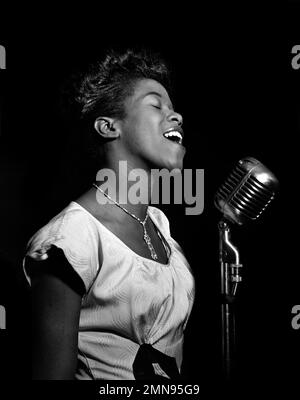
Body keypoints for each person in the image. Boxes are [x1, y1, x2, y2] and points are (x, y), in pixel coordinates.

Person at [23, 48, 195, 380]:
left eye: (173, 109)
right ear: (107, 126)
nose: (177, 117)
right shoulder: (70, 239)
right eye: (156, 105)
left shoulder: (159, 224)